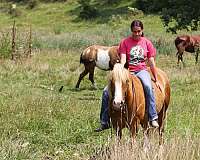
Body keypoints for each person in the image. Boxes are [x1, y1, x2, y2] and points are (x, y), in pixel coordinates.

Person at [95, 20, 159, 132]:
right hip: (129, 72)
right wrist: (119, 68)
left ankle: (152, 116)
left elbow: (151, 62)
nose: (137, 34)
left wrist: (156, 78)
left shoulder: (147, 43)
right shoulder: (125, 42)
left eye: (139, 31)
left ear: (142, 31)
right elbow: (123, 59)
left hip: (142, 71)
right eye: (134, 31)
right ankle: (104, 121)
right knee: (106, 91)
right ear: (131, 31)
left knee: (148, 87)